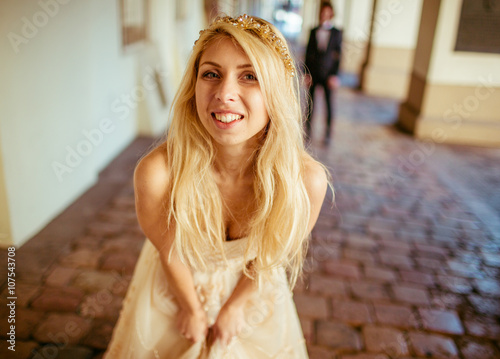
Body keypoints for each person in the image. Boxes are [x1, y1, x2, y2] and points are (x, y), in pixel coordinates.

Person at [104, 14, 329, 359]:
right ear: (194, 84)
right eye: (211, 73)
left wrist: (236, 306)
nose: (225, 94)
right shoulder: (157, 173)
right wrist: (191, 308)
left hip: (253, 291)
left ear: (277, 91)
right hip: (171, 286)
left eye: (249, 76)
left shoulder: (305, 181)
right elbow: (170, 250)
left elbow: (272, 256)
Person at [304, 2, 342, 145]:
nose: (324, 16)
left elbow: (339, 56)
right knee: (310, 105)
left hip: (328, 75)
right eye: (322, 13)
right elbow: (308, 53)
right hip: (313, 73)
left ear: (331, 14)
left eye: (327, 13)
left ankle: (327, 133)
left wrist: (335, 75)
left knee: (328, 104)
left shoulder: (337, 33)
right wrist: (306, 73)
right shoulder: (313, 31)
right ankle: (307, 132)